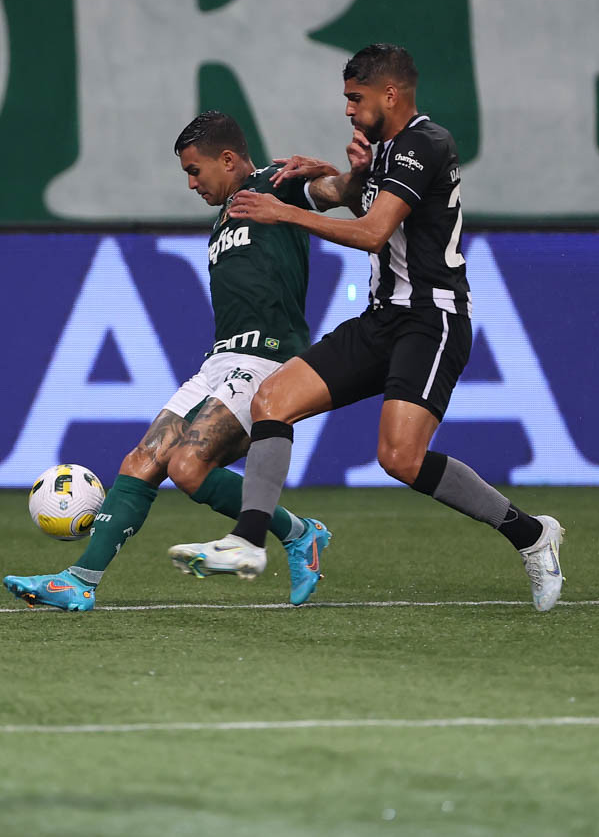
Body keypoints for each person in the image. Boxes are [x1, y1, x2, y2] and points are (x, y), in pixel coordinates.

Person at [177, 44, 565, 611]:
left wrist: (281, 210)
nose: (349, 110)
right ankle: (248, 541)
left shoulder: (424, 143)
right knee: (273, 397)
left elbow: (372, 231)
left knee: (400, 459)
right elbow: (362, 201)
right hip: (383, 317)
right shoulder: (387, 150)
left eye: (355, 99)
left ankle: (531, 534)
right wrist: (347, 173)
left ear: (390, 94)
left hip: (432, 320)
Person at [2, 110, 367, 612]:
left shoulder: (275, 186)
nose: (191, 183)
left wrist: (355, 172)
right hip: (218, 363)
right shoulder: (223, 219)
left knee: (189, 467)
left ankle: (299, 533)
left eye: (195, 171)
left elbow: (340, 194)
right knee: (141, 461)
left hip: (266, 362)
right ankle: (80, 579)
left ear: (229, 158)